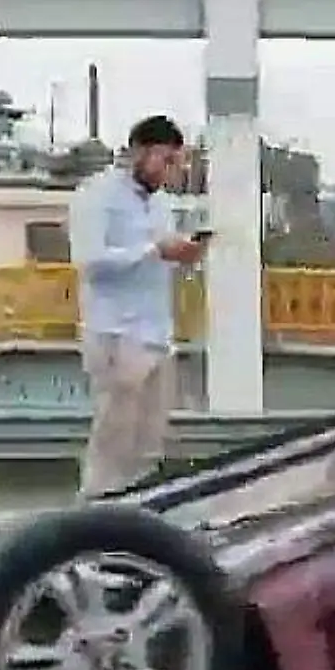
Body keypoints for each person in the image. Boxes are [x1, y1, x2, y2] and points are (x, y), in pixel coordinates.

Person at [67, 114, 207, 497]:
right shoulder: (96, 196)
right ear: (140, 152)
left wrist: (182, 251)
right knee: (113, 445)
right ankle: (93, 519)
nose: (170, 171)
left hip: (156, 333)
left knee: (148, 445)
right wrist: (153, 249)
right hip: (116, 333)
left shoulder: (161, 203)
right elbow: (90, 261)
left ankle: (137, 519)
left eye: (176, 163)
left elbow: (159, 251)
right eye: (165, 161)